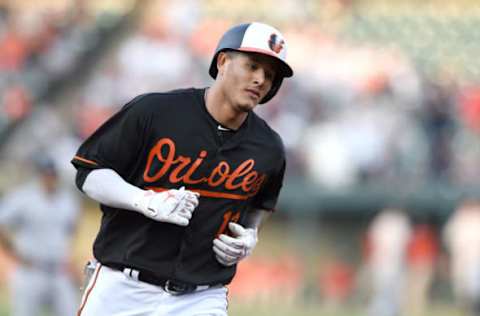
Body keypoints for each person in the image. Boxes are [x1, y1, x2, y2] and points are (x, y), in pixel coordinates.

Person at [72, 21, 293, 316]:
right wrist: (144, 199)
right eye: (252, 66)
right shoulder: (155, 112)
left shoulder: (269, 147)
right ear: (223, 62)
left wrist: (250, 235)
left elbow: (260, 205)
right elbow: (90, 173)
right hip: (124, 287)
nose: (260, 79)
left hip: (201, 297)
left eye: (270, 74)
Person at [0, 155, 81, 316]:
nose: (49, 178)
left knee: (72, 312)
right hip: (31, 269)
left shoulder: (67, 200)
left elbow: (71, 230)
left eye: (51, 174)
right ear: (39, 175)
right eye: (45, 174)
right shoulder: (24, 197)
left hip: (58, 270)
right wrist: (13, 252)